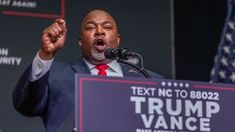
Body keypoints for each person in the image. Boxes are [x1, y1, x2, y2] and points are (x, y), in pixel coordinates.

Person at [13, 9, 164, 132]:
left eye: (107, 27)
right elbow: (25, 105)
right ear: (80, 41)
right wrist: (45, 54)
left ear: (117, 39)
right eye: (91, 27)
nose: (99, 31)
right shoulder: (55, 76)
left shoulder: (150, 81)